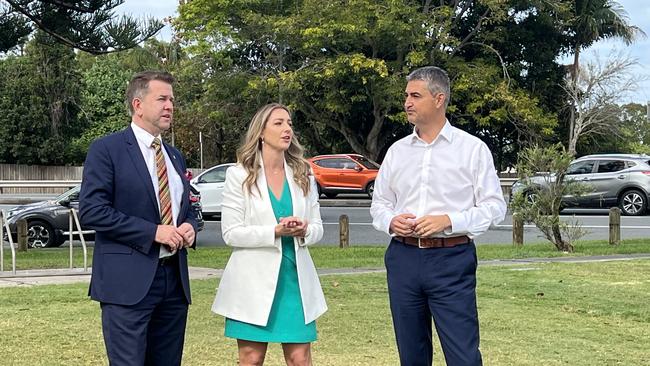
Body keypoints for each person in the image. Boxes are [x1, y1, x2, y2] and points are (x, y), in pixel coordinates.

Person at [370, 66, 507, 366]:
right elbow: (379, 203)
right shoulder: (397, 152)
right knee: (412, 355)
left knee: (463, 356)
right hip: (402, 259)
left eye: (415, 96)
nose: (407, 102)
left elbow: (495, 207)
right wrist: (391, 221)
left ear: (439, 99)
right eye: (406, 95)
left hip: (451, 260)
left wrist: (450, 220)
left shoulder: (472, 150)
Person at [79, 70, 198, 366]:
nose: (170, 105)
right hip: (127, 285)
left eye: (172, 99)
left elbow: (190, 205)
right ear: (138, 104)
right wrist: (152, 232)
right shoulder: (107, 150)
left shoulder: (174, 156)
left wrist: (191, 226)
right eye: (162, 99)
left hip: (174, 282)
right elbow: (92, 210)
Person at [211, 103, 327, 366]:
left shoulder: (303, 174)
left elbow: (318, 228)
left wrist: (304, 229)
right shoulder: (238, 174)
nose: (287, 129)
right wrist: (275, 231)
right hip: (252, 283)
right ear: (261, 132)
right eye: (279, 123)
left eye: (289, 123)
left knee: (300, 358)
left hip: (295, 280)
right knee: (251, 358)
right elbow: (231, 233)